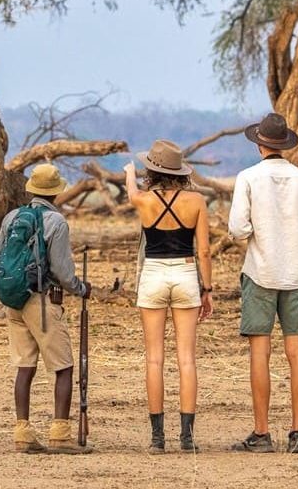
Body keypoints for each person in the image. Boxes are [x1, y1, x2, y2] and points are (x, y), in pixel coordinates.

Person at [227, 112, 298, 454]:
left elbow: (238, 230)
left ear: (259, 144)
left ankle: (261, 432)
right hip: (296, 274)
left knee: (260, 352)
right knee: (296, 353)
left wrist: (263, 231)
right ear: (284, 145)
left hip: (260, 272)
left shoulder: (248, 178)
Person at [0, 163, 92, 455]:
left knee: (25, 366)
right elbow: (62, 270)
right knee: (63, 366)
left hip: (13, 299)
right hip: (42, 302)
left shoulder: (12, 217)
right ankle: (60, 433)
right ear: (56, 193)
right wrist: (81, 288)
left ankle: (23, 432)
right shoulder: (56, 222)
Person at [124, 140, 213, 454]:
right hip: (186, 272)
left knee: (154, 359)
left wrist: (129, 173)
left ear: (153, 170)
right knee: (186, 359)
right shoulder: (197, 201)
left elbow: (132, 193)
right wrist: (208, 289)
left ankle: (157, 438)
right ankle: (187, 438)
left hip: (154, 274)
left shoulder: (144, 200)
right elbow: (203, 250)